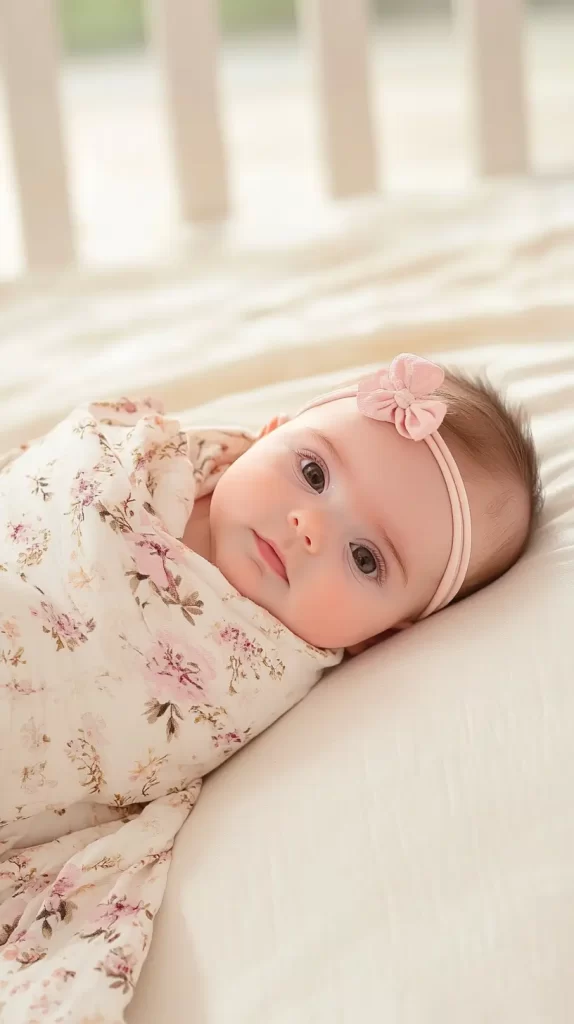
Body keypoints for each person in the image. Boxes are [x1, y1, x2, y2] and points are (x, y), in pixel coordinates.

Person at [0, 354, 541, 1020]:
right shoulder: (155, 458)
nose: (310, 525)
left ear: (381, 636)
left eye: (366, 557)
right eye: (313, 472)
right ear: (271, 431)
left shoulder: (247, 668)